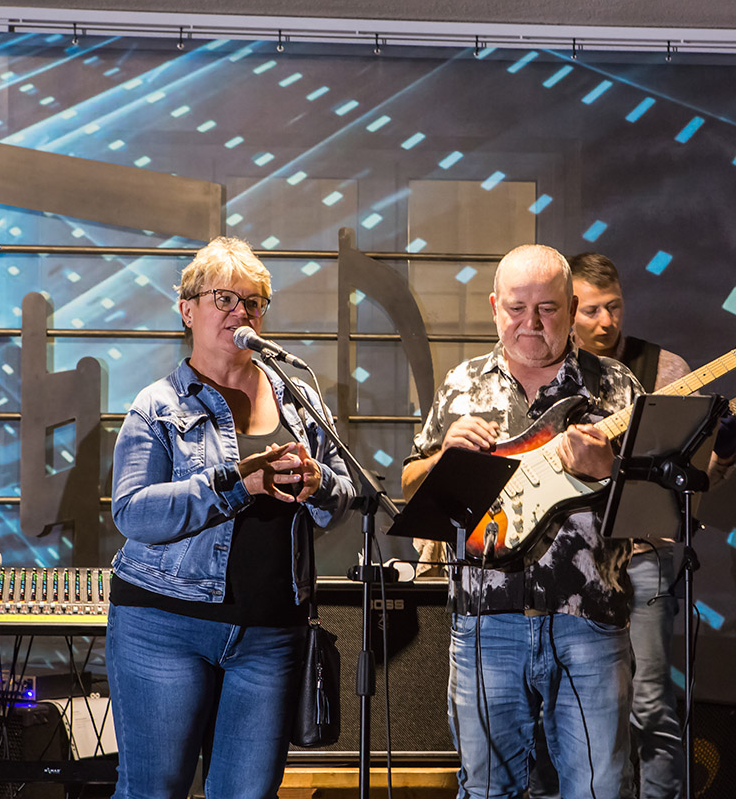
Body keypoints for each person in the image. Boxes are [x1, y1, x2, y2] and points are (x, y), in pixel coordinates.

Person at [106, 237, 355, 799]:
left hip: (271, 632)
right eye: (224, 298)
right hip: (164, 625)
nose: (241, 312)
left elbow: (342, 498)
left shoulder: (300, 399)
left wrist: (318, 483)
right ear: (187, 309)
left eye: (253, 302)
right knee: (153, 790)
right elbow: (133, 512)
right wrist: (238, 485)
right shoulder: (157, 405)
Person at [402, 244, 643, 799]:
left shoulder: (615, 386)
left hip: (590, 620)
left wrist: (609, 470)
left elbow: (657, 504)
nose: (530, 323)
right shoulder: (462, 386)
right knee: (488, 789)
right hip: (485, 623)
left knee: (601, 789)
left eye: (548, 309)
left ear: (571, 307)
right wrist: (442, 461)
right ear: (495, 308)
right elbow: (411, 485)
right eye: (516, 308)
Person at [561, 252, 736, 799]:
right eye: (591, 311)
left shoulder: (664, 369)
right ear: (567, 310)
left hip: (643, 556)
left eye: (615, 307)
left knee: (651, 703)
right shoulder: (551, 371)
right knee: (578, 706)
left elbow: (696, 480)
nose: (606, 322)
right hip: (571, 563)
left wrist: (724, 451)